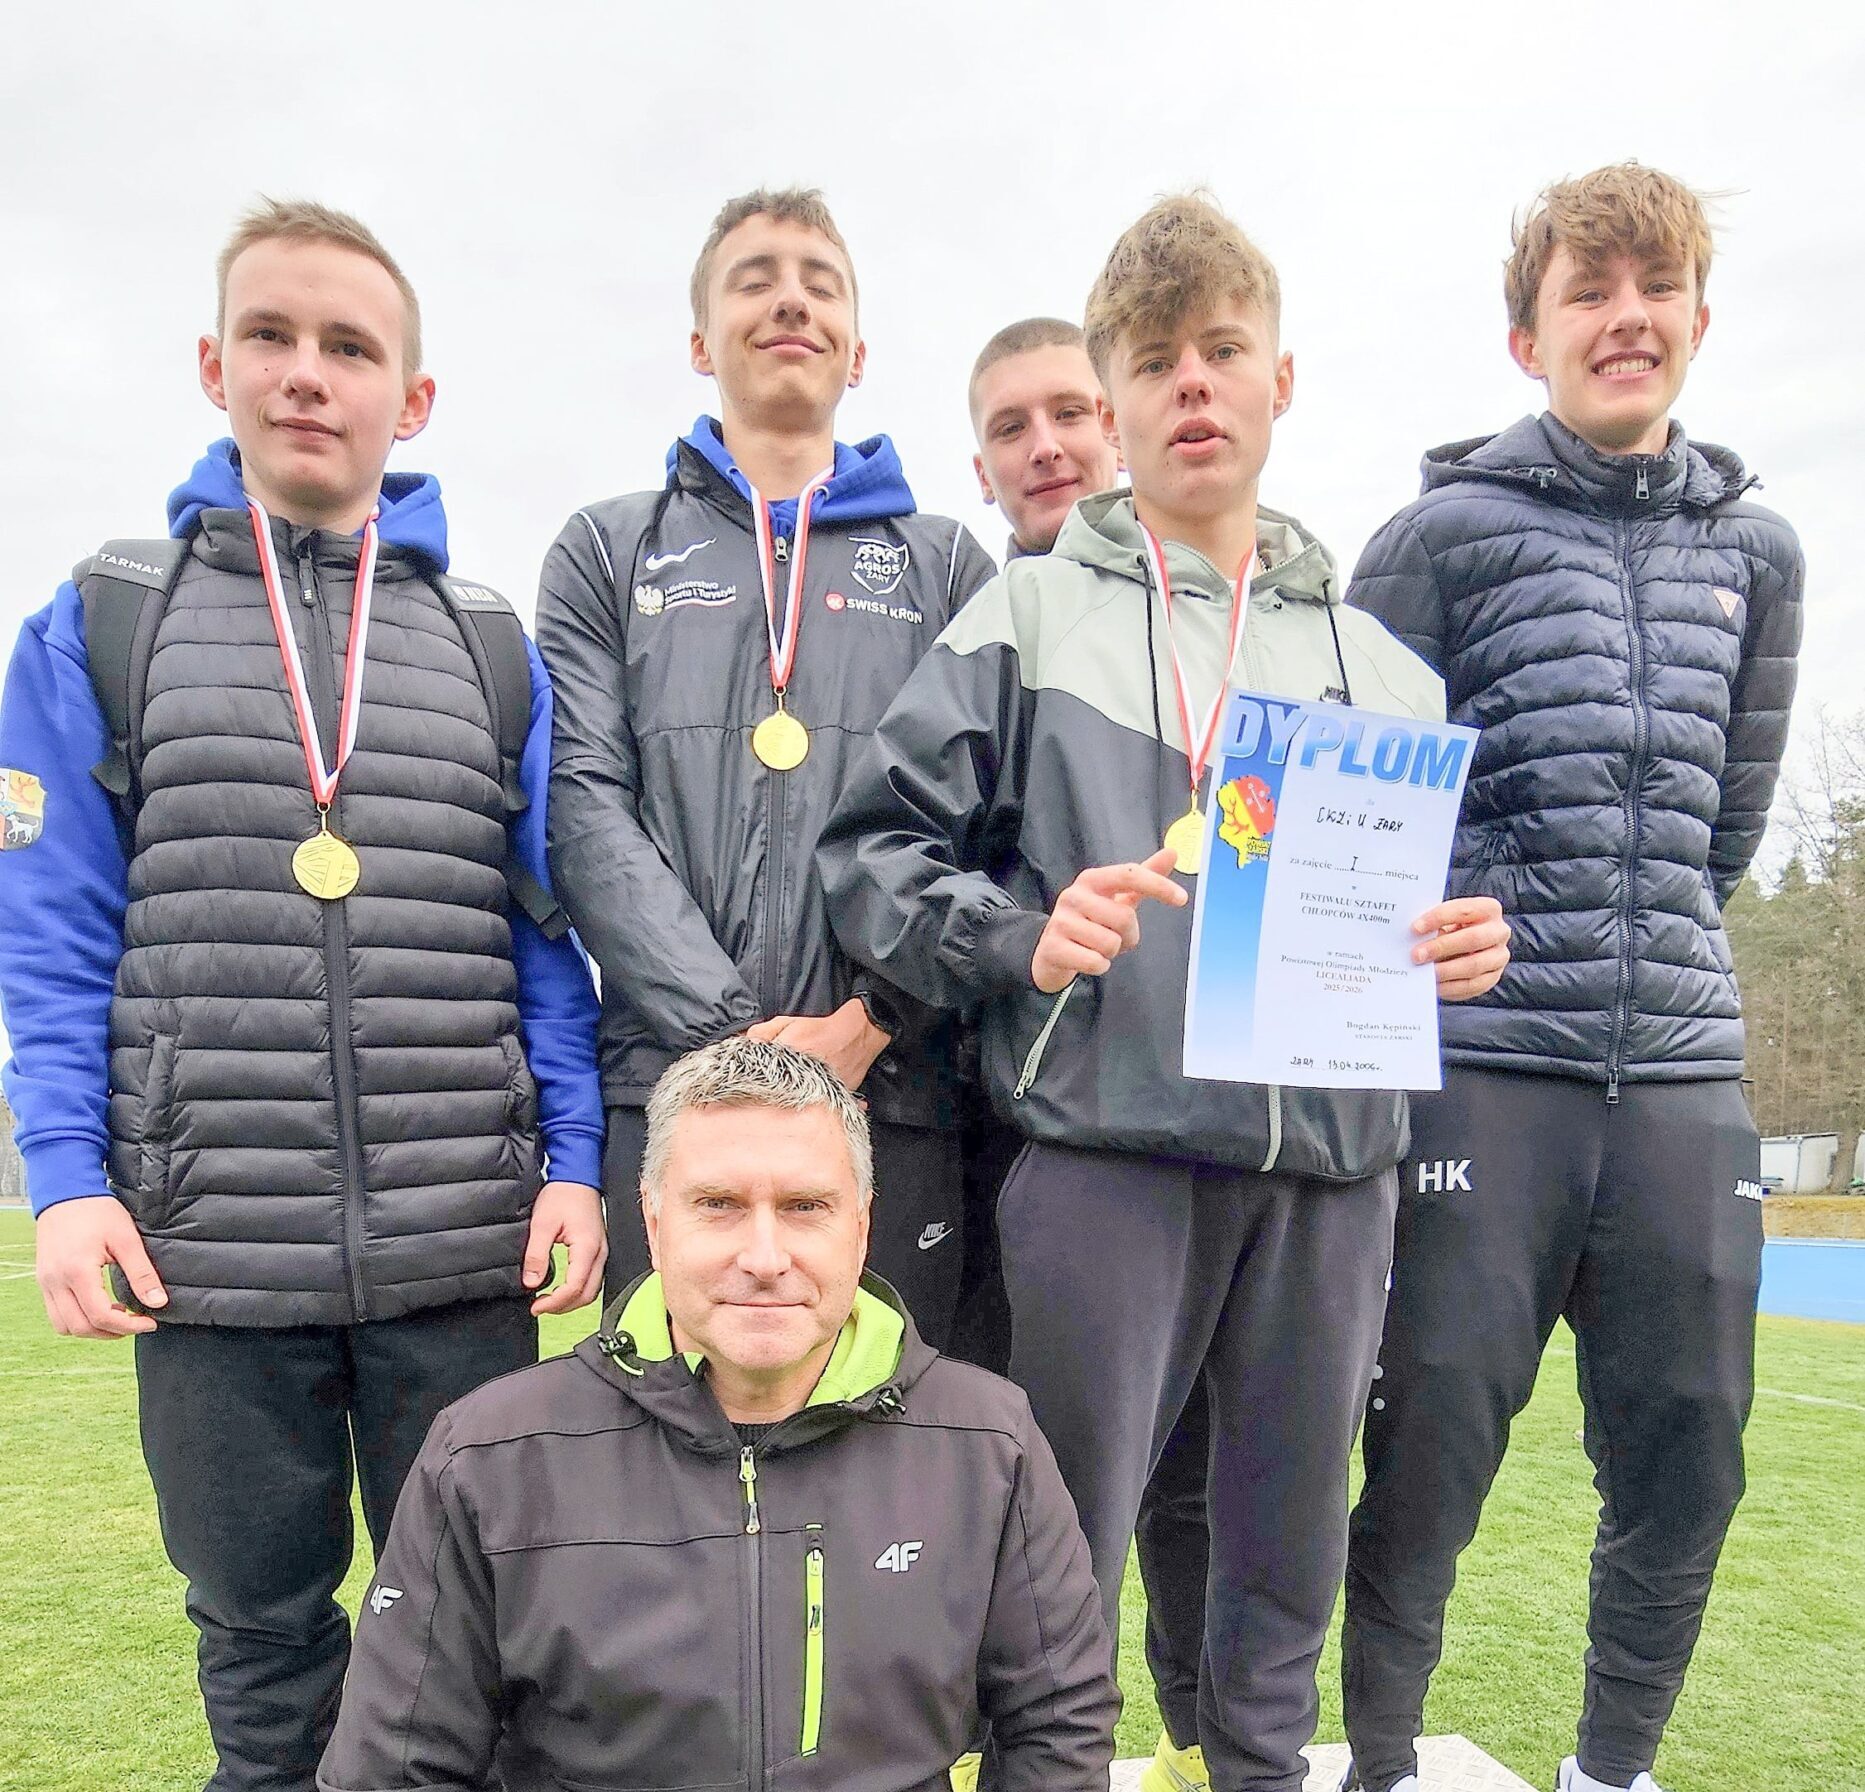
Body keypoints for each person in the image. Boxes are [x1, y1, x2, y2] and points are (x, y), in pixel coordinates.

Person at [818, 194, 1511, 1792]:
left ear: (1282, 380)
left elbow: (1418, 915)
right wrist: (1018, 939)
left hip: (1331, 1177)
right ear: (1115, 408)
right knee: (1059, 1550)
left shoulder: (1382, 670)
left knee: (1284, 1561)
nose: (1191, 382)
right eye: (1152, 361)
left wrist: (1464, 950)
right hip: (1107, 1157)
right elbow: (871, 854)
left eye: (1221, 350)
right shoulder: (1028, 614)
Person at [0, 199, 605, 1792]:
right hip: (209, 1257)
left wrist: (575, 1164)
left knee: (481, 1639)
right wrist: (65, 1181)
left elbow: (547, 936)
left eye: (350, 346)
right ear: (214, 366)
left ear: (414, 397)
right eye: (269, 336)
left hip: (462, 1248)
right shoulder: (103, 620)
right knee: (260, 1648)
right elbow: (51, 936)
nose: (306, 373)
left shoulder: (491, 646)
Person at [1336, 163, 1804, 1792]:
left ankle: (1613, 1771)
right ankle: (1382, 1764)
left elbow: (1723, 829)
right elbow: (1353, 829)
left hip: (1679, 1074)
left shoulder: (1762, 552)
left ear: (1697, 318)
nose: (1625, 316)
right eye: (1587, 290)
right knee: (1426, 1459)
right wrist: (1456, 943)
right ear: (1524, 336)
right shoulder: (1433, 540)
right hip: (1483, 1076)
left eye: (1654, 285)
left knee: (1691, 1463)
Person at [317, 1035, 1118, 1792]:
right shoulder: (493, 1454)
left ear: (862, 1224)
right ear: (652, 1219)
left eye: (805, 1206)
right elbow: (397, 1767)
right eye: (719, 1204)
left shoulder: (986, 1441)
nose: (764, 1257)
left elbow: (1057, 1725)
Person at [535, 186, 996, 1346]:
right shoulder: (604, 549)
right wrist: (736, 1040)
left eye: (817, 283)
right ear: (701, 342)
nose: (789, 299)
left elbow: (983, 828)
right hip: (668, 1094)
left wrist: (870, 1019)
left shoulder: (947, 563)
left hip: (892, 1091)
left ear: (857, 348)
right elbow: (582, 811)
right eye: (753, 279)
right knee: (669, 1434)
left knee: (887, 1433)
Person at [967, 315, 1208, 1792]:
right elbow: (912, 859)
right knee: (1024, 1482)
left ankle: (1187, 1747)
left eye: (1069, 412)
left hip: (1174, 1127)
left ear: (1115, 425)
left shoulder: (1221, 624)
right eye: (1011, 426)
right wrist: (1013, 946)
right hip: (992, 1121)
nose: (1046, 445)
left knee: (1186, 1480)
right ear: (979, 465)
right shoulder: (979, 629)